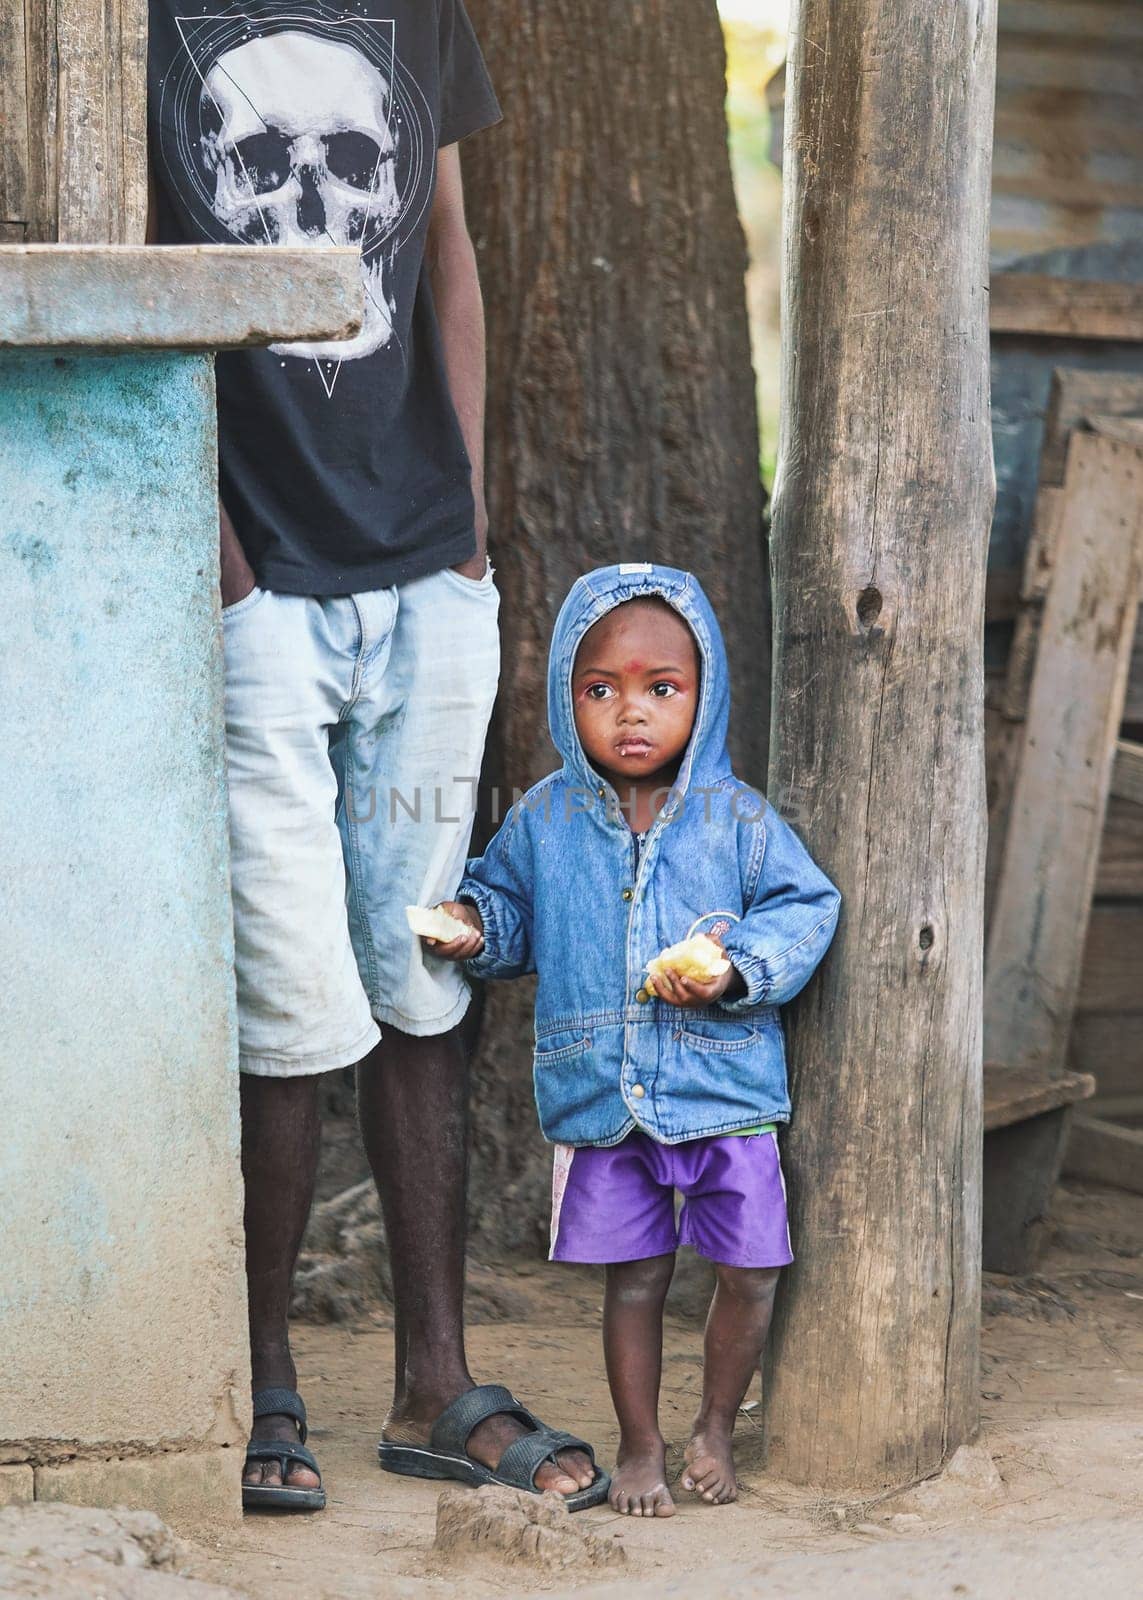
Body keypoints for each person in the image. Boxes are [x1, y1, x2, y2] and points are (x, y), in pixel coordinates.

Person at [147, 0, 604, 1512]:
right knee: (283, 992)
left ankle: (432, 1379)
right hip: (253, 582)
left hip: (423, 577)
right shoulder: (134, 28)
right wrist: (221, 566)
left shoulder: (419, 12)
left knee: (425, 967)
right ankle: (263, 1376)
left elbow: (450, 250)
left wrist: (465, 525)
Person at [424, 563, 841, 1517]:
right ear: (567, 696)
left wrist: (735, 967)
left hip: (725, 1095)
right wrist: (472, 926)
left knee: (750, 1273)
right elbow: (510, 909)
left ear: (705, 694)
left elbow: (806, 906)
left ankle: (715, 1429)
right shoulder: (542, 817)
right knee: (635, 1281)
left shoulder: (737, 817)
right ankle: (641, 1443)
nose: (631, 714)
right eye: (600, 689)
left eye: (662, 689)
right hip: (607, 1104)